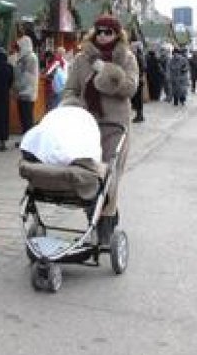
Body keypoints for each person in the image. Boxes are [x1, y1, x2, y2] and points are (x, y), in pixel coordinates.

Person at [60, 14, 138, 246]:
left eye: (109, 32)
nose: (103, 36)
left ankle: (105, 225)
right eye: (100, 31)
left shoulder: (126, 58)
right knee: (89, 174)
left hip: (116, 124)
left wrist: (108, 72)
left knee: (110, 174)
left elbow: (131, 88)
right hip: (87, 124)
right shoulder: (82, 59)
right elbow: (71, 89)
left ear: (117, 34)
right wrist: (73, 105)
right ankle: (96, 219)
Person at [13, 34, 39, 135]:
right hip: (23, 92)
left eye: (20, 46)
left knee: (27, 118)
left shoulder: (30, 58)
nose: (18, 48)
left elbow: (26, 76)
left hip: (27, 92)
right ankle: (26, 138)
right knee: (24, 118)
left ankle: (28, 139)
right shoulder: (25, 57)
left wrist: (18, 87)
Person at [130, 41, 146, 123]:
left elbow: (141, 68)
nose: (131, 48)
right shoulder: (140, 56)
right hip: (139, 79)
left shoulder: (137, 57)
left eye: (132, 47)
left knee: (138, 98)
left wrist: (139, 75)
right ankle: (139, 115)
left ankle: (139, 115)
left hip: (138, 79)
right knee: (137, 98)